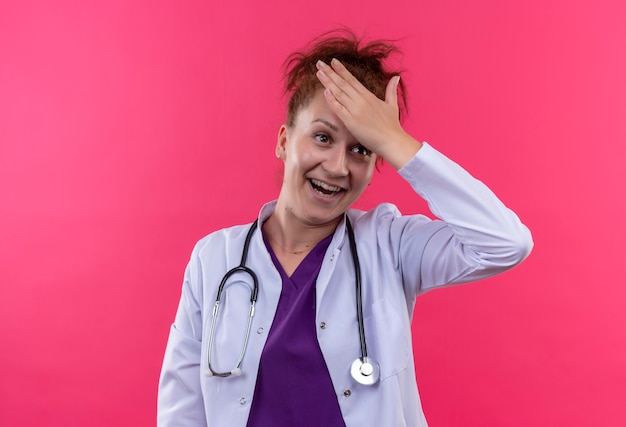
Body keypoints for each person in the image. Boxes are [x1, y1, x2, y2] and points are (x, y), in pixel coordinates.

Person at [157, 29, 533, 427]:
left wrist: (395, 139)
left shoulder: (390, 245)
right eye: (322, 137)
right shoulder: (214, 258)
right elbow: (183, 405)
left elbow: (505, 243)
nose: (338, 167)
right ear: (284, 141)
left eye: (362, 149)